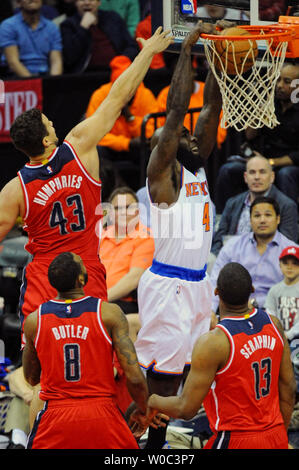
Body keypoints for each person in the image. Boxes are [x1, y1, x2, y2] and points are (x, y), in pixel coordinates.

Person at [0, 27, 173, 423]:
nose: (53, 122)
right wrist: (147, 53)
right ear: (46, 140)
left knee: (43, 369)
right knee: (95, 357)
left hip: (43, 275)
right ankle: (112, 420)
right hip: (84, 271)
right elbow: (120, 94)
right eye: (48, 122)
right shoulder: (78, 145)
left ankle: (38, 421)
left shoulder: (15, 190)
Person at [134, 20, 223, 449]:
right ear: (161, 150)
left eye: (185, 135)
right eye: (171, 139)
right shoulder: (162, 177)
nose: (186, 135)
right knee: (164, 375)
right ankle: (151, 444)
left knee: (189, 370)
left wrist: (219, 57)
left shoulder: (197, 167)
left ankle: (166, 431)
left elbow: (209, 114)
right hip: (168, 282)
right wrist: (188, 50)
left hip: (197, 282)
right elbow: (175, 114)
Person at [147, 262, 296, 449]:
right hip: (275, 434)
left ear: (216, 293)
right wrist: (279, 433)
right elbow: (289, 388)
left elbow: (186, 409)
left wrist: (152, 400)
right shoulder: (273, 324)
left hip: (234, 439)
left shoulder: (214, 342)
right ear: (252, 289)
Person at [22, 252, 157, 449]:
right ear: (82, 278)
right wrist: (144, 409)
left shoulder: (35, 320)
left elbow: (32, 378)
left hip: (56, 415)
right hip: (101, 412)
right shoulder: (108, 313)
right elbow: (135, 377)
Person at [214, 62, 299, 211]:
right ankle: (223, 217)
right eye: (278, 80)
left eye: (286, 81)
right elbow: (250, 136)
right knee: (228, 170)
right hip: (263, 160)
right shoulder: (271, 104)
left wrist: (270, 162)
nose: (279, 85)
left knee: (285, 175)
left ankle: (288, 220)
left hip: (289, 165)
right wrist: (257, 115)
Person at [210, 196, 299, 313]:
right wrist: (210, 311)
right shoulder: (233, 246)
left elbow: (294, 291)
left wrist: (255, 303)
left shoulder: (291, 250)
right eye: (257, 216)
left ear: (278, 219)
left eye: (268, 215)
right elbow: (215, 280)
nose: (262, 220)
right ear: (250, 220)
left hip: (276, 312)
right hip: (235, 310)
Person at [85, 54, 159, 177]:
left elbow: (150, 135)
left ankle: (145, 191)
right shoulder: (100, 96)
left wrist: (130, 118)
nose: (125, 92)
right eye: (121, 88)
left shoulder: (145, 95)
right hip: (111, 148)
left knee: (150, 152)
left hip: (136, 149)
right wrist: (126, 143)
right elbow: (93, 136)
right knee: (96, 151)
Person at [212, 155, 298, 257]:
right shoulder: (232, 202)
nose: (257, 177)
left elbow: (287, 247)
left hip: (267, 264)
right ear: (245, 177)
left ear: (272, 177)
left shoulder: (287, 206)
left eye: (262, 172)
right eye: (252, 172)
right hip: (230, 262)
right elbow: (218, 240)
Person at [99, 186, 154, 313]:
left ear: (138, 211)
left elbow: (133, 279)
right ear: (110, 213)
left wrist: (100, 300)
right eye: (118, 208)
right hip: (97, 299)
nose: (123, 212)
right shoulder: (101, 236)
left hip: (123, 303)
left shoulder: (146, 237)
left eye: (128, 207)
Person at [60, 0, 139, 73]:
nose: (87, 3)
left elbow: (131, 46)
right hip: (85, 75)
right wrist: (83, 28)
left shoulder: (113, 18)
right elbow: (70, 58)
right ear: (76, 3)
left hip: (117, 71)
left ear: (99, 2)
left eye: (91, 0)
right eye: (82, 0)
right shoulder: (68, 25)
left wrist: (122, 60)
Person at [0, 0, 63, 78]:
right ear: (18, 3)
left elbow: (56, 61)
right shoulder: (8, 25)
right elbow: (13, 63)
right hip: (16, 78)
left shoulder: (52, 27)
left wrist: (53, 83)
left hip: (45, 77)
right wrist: (34, 85)